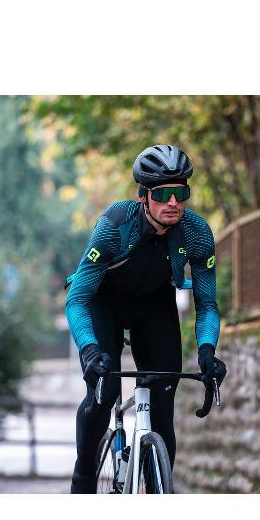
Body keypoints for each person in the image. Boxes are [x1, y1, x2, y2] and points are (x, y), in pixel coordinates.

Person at [64, 144, 227, 493]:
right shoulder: (115, 224)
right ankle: (83, 477)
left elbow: (207, 305)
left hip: (155, 306)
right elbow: (77, 299)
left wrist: (207, 351)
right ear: (143, 196)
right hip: (105, 303)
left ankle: (157, 489)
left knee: (162, 405)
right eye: (163, 194)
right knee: (103, 393)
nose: (173, 202)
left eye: (181, 193)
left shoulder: (197, 233)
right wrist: (90, 350)